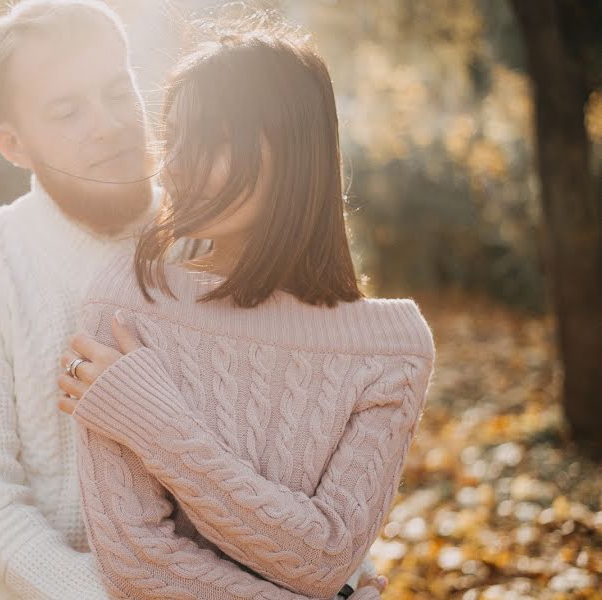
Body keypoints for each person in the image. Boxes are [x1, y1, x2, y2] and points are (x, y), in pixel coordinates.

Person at [0, 1, 384, 598]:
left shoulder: (226, 229)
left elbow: (304, 446)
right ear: (13, 144)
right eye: (66, 111)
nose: (107, 123)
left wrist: (341, 577)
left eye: (117, 90)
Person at [55, 20, 432, 600]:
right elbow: (136, 560)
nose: (179, 164)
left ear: (296, 151)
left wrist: (155, 423)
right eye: (176, 137)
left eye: (217, 139)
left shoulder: (391, 349)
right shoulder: (127, 305)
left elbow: (325, 558)